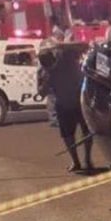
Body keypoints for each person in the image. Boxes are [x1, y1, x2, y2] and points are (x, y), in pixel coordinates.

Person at [39, 42, 93, 172]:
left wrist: (59, 45)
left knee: (86, 131)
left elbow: (84, 45)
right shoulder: (45, 72)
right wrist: (47, 79)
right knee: (67, 135)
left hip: (78, 102)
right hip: (63, 105)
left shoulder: (65, 59)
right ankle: (76, 162)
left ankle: (87, 160)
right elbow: (41, 93)